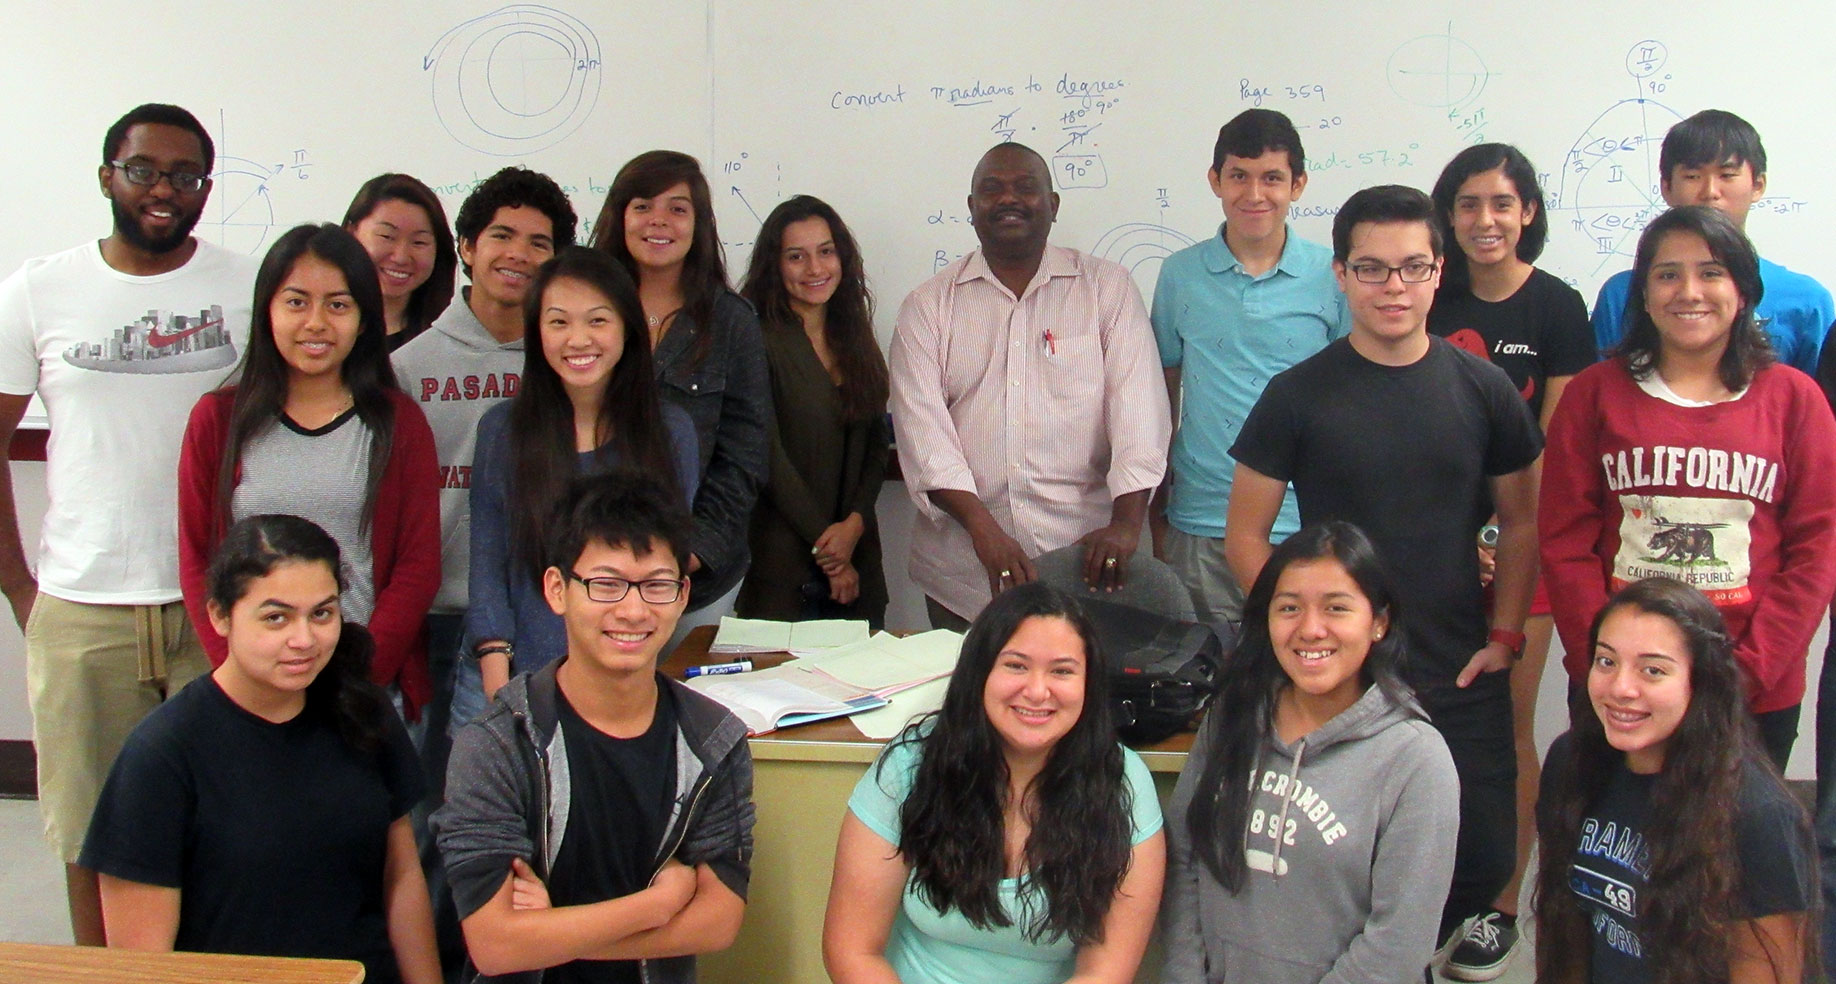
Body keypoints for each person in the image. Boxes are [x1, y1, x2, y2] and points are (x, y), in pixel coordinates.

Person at [1225, 184, 1543, 951]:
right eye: (1371, 269)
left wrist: (1506, 635)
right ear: (1340, 274)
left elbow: (1527, 517)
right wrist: (1304, 639)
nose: (1393, 288)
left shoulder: (1483, 388)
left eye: (1412, 268)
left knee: (1479, 857)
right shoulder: (1297, 395)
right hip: (1341, 682)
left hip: (1457, 667)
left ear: (1440, 273)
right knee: (1341, 861)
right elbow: (1245, 534)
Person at [0, 102, 256, 944]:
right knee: (88, 832)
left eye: (185, 177)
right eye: (144, 169)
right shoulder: (39, 289)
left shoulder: (247, 287)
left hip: (212, 606)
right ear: (107, 175)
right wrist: (21, 590)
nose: (163, 190)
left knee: (220, 825)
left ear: (205, 189)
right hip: (82, 606)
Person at [80, 514, 438, 984]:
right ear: (220, 616)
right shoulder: (162, 755)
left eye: (322, 614)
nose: (304, 640)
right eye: (276, 618)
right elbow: (142, 965)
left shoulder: (363, 712)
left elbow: (401, 876)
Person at [1541, 204, 1836, 770]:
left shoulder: (1796, 400)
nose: (1689, 291)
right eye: (1667, 274)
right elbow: (1565, 543)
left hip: (1753, 692)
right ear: (1644, 294)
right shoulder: (1593, 396)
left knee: (1735, 853)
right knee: (1617, 846)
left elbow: (1815, 551)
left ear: (1744, 290)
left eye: (1711, 272)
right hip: (1618, 695)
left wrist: (1746, 673)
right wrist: (1606, 668)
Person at [435, 471, 754, 984]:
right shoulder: (498, 742)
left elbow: (718, 923)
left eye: (656, 585)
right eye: (606, 584)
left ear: (682, 594)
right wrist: (656, 905)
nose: (632, 610)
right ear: (557, 589)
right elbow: (495, 946)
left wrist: (550, 929)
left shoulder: (714, 740)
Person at [389, 166, 576, 977]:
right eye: (501, 235)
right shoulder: (407, 365)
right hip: (433, 621)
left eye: (541, 243)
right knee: (438, 819)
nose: (518, 254)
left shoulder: (564, 362)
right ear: (465, 247)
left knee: (528, 825)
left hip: (529, 627)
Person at [1427, 142, 1596, 980]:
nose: (1484, 220)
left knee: (1507, 729)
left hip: (1520, 554)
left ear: (1528, 210)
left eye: (1501, 202)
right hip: (1427, 554)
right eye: (1467, 203)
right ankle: (1422, 892)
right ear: (1447, 214)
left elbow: (1555, 451)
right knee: (1420, 727)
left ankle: (1499, 905)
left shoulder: (1558, 308)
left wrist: (1501, 543)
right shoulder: (1428, 293)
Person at [889, 142, 1171, 631]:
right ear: (971, 208)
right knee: (965, 701)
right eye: (991, 189)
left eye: (1025, 187)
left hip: (1084, 564)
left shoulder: (1106, 289)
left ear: (1054, 204)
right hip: (964, 572)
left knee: (1071, 700)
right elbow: (923, 434)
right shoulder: (928, 306)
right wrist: (984, 531)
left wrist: (1126, 526)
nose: (1008, 199)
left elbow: (1140, 412)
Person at [822, 581, 1164, 983]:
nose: (1037, 691)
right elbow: (851, 949)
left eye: (1062, 671)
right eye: (1016, 665)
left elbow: (1106, 971)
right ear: (980, 672)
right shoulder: (910, 764)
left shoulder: (1123, 782)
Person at [1162, 520, 1458, 984]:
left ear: (1378, 622)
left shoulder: (1416, 758)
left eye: (1336, 608)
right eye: (1289, 608)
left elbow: (1398, 944)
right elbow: (1183, 858)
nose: (1310, 629)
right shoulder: (1231, 718)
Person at [178, 223, 441, 723]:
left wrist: (358, 682)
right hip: (248, 691)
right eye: (296, 302)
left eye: (338, 305)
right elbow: (197, 559)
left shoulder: (397, 423)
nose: (316, 322)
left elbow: (417, 567)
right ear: (267, 312)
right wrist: (239, 671)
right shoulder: (217, 420)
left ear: (365, 319)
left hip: (362, 691)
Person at [1535, 577, 1816, 984]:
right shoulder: (1572, 762)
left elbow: (1768, 972)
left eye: (1653, 670)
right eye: (1606, 661)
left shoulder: (1759, 815)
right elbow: (1563, 929)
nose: (1621, 688)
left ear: (1699, 682)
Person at [465, 246, 699, 699]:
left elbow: (659, 573)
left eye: (597, 320)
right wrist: (502, 692)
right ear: (536, 333)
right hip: (509, 678)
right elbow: (488, 565)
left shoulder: (669, 433)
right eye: (558, 322)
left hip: (622, 681)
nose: (578, 340)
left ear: (627, 329)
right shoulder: (502, 430)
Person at [1151, 108, 1348, 628]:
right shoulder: (1180, 276)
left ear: (1298, 185)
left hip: (1306, 523)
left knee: (1301, 684)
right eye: (1239, 175)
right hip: (1202, 519)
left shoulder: (1333, 277)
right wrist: (1155, 504)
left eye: (1272, 178)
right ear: (1215, 180)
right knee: (1208, 690)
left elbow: (1353, 394)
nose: (1254, 194)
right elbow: (1162, 392)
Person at [591, 150, 770, 642]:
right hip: (589, 571)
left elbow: (745, 455)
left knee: (685, 705)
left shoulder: (731, 321)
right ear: (620, 215)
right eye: (643, 205)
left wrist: (689, 550)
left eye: (678, 207)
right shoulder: (583, 310)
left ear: (699, 224)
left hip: (697, 578)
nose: (659, 221)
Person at [736, 195, 891, 626]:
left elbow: (878, 442)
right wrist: (832, 557)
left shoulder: (854, 331)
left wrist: (855, 525)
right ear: (775, 264)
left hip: (860, 556)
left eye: (826, 252)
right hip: (783, 562)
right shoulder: (753, 336)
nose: (815, 269)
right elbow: (766, 456)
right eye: (796, 257)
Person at [1591, 109, 1833, 373]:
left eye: (1727, 175)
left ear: (1758, 185)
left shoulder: (1806, 300)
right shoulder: (1621, 294)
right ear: (1667, 187)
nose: (1710, 192)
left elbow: (1815, 405)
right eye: (1693, 177)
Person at [343, 173, 457, 351]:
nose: (401, 257)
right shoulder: (323, 334)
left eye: (419, 242)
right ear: (351, 232)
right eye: (387, 236)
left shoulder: (449, 342)